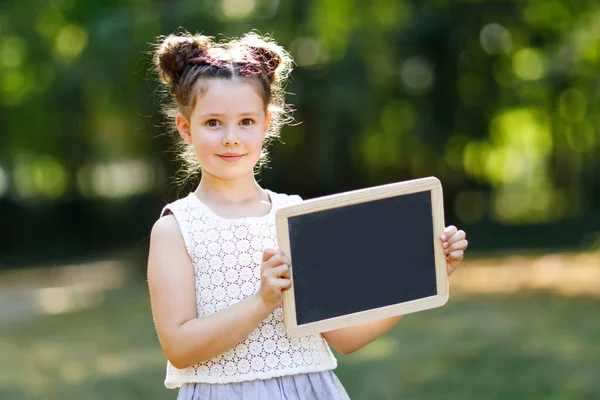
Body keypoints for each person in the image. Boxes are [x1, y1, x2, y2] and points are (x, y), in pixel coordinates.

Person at [147, 31, 469, 400]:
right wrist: (261, 302)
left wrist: (430, 273)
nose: (231, 138)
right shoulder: (177, 229)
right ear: (186, 128)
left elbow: (345, 337)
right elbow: (179, 346)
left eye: (246, 122)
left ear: (267, 124)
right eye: (213, 123)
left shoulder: (295, 215)